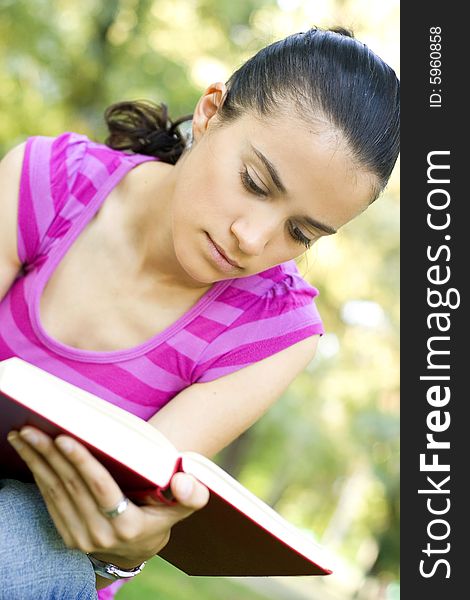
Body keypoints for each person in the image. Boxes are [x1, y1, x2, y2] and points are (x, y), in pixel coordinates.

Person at [0, 26, 399, 599]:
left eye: (300, 232)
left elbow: (119, 504)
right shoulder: (52, 181)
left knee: (22, 531)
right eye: (254, 183)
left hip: (33, 559)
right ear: (211, 112)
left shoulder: (274, 331)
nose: (252, 239)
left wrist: (123, 553)